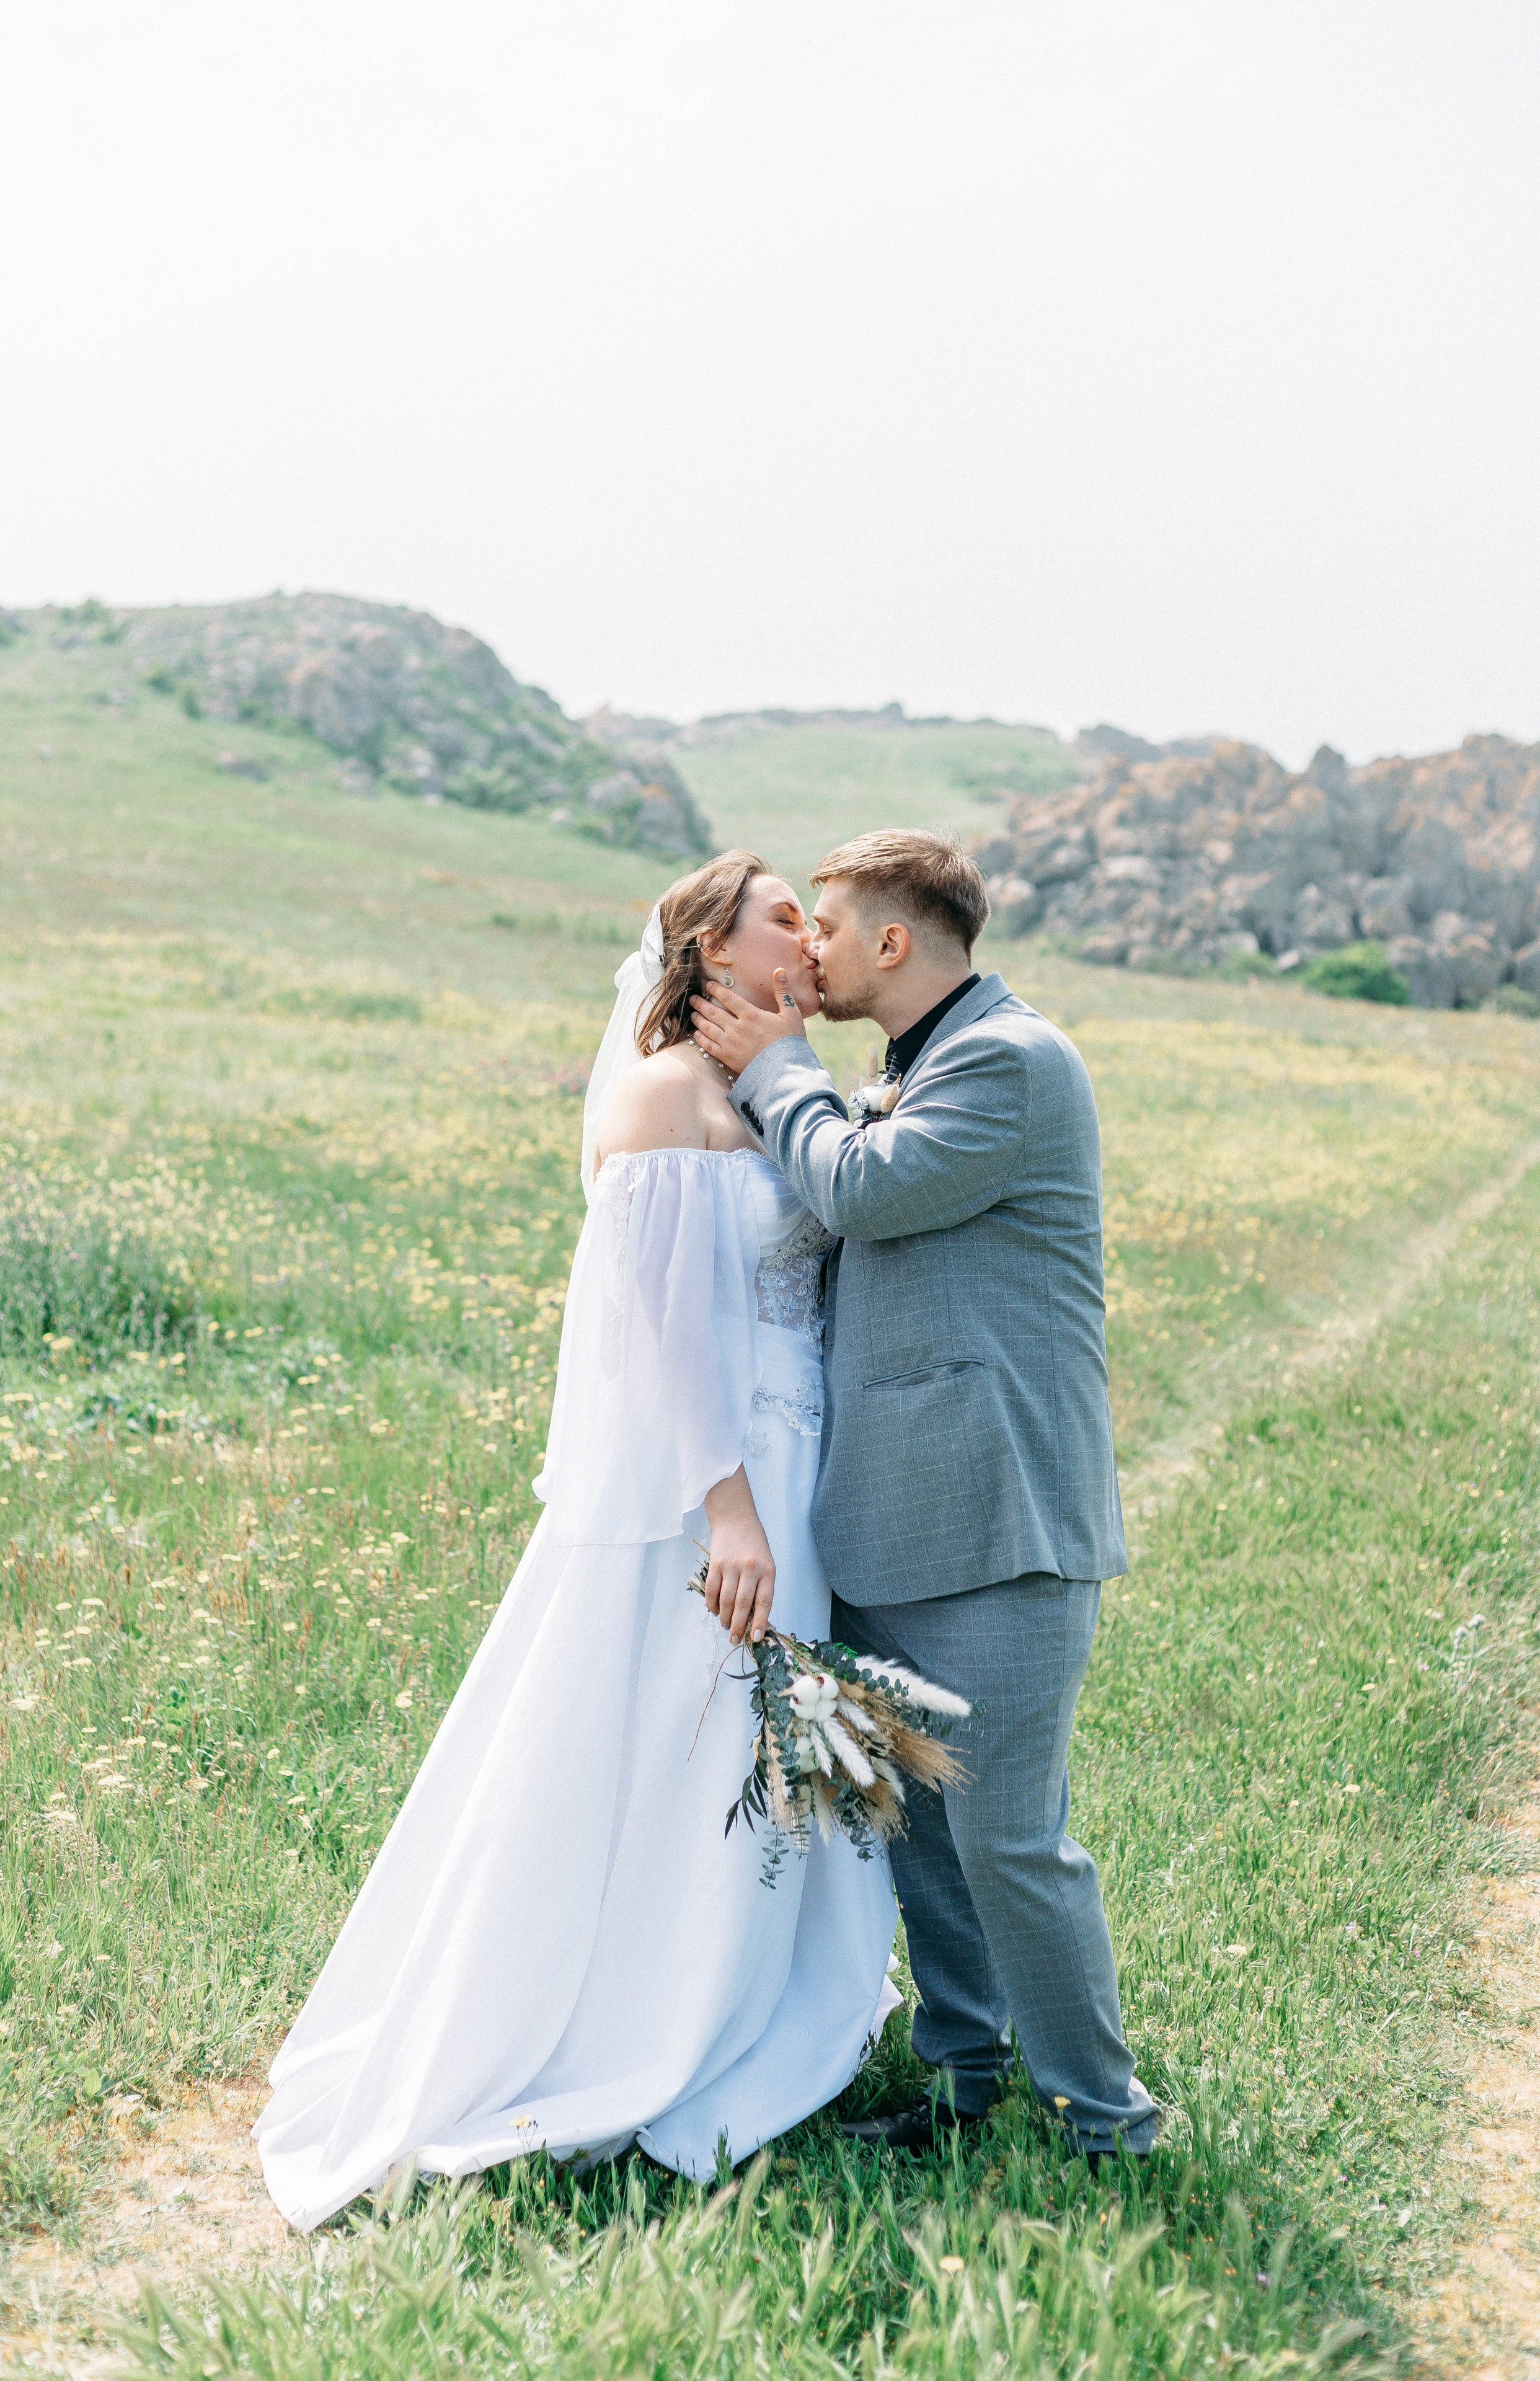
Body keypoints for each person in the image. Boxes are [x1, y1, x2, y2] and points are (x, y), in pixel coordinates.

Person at [252, 851, 899, 2232]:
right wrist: (726, 1508)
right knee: (663, 1726)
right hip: (712, 1485)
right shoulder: (665, 1093)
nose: (811, 931)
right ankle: (623, 2014)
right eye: (782, 912)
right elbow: (660, 1330)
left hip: (799, 1463)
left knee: (746, 1739)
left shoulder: (778, 1095)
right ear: (711, 948)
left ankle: (745, 1987)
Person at [691, 828, 1157, 2165]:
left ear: (892, 942)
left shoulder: (1008, 1063)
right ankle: (964, 2080)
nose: (809, 953)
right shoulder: (909, 1067)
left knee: (1011, 1842)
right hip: (891, 1521)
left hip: (1000, 1520)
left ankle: (1103, 2120)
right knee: (924, 1839)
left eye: (824, 928)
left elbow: (859, 1189)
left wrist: (775, 1071)